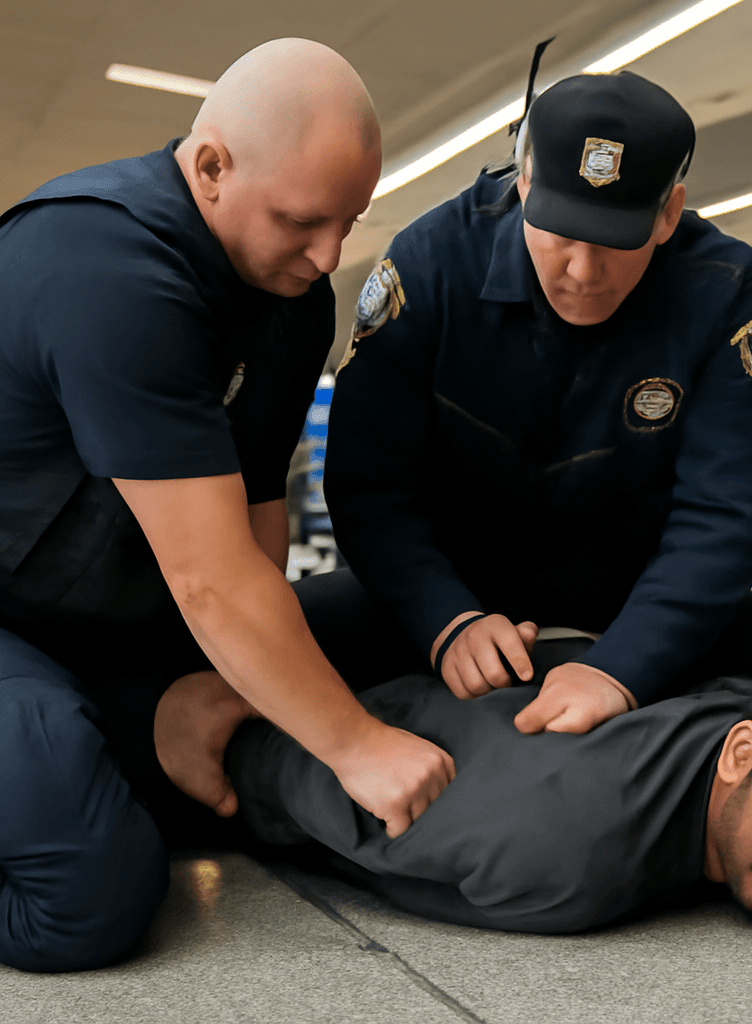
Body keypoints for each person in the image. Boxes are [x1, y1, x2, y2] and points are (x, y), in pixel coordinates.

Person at [0, 38, 455, 973]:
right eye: (301, 220)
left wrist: (242, 684)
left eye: (348, 219)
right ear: (210, 167)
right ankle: (110, 744)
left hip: (114, 617)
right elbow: (209, 579)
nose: (329, 253)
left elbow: (255, 517)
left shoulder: (290, 292)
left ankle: (145, 726)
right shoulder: (106, 266)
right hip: (14, 626)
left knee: (397, 607)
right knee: (91, 900)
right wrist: (354, 744)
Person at [318, 70, 752, 736]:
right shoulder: (433, 263)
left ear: (667, 213)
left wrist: (622, 669)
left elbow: (724, 516)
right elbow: (370, 485)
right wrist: (446, 621)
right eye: (561, 233)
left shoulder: (726, 292)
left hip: (631, 598)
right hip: (451, 582)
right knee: (301, 635)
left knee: (748, 656)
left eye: (613, 242)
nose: (582, 271)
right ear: (524, 187)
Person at [226, 642, 752, 932]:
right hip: (259, 683)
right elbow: (307, 782)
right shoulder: (570, 852)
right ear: (740, 749)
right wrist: (232, 738)